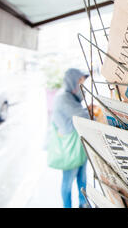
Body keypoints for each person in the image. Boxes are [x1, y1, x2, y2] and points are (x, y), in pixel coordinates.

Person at [50, 68, 90, 208]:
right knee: (68, 181)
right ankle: (67, 205)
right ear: (72, 80)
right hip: (69, 147)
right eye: (80, 82)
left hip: (76, 145)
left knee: (82, 177)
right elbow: (83, 115)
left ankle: (83, 202)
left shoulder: (70, 96)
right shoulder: (64, 98)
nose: (82, 85)